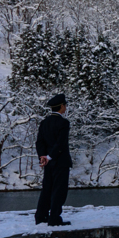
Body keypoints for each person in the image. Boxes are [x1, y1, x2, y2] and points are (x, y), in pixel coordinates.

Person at [34, 93, 73, 226]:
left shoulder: (44, 123)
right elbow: (60, 144)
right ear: (62, 106)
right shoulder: (63, 123)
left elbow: (39, 142)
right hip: (60, 162)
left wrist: (43, 157)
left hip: (48, 163)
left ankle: (40, 216)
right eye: (65, 105)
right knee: (59, 191)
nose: (66, 107)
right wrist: (50, 156)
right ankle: (54, 218)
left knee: (47, 189)